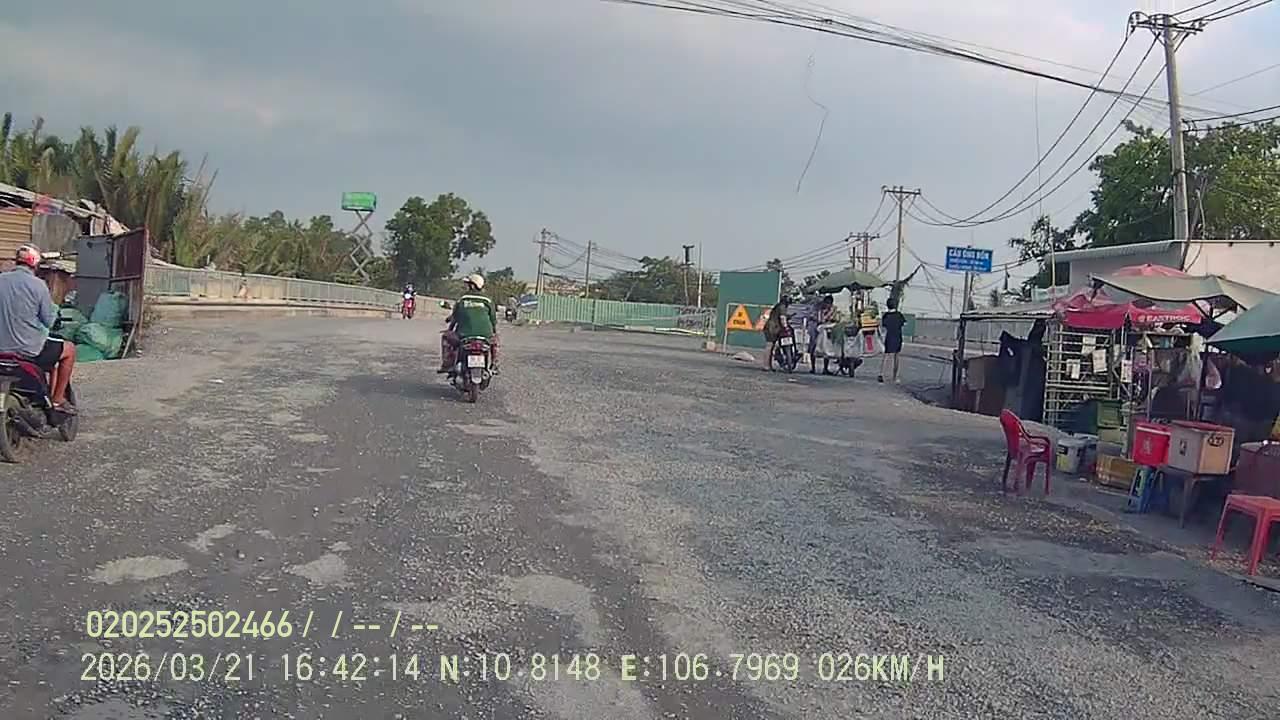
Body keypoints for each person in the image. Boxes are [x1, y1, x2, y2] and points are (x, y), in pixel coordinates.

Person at [0, 245, 76, 412]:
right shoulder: (38, 285)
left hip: (1, 350)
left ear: (17, 261)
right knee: (69, 350)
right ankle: (57, 400)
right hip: (28, 351)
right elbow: (48, 321)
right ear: (35, 263)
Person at [438, 274, 499, 373]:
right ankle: (495, 363)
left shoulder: (462, 299)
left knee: (446, 337)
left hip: (464, 334)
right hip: (485, 335)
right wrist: (493, 333)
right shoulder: (488, 300)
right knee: (495, 342)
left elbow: (455, 317)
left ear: (472, 285)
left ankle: (447, 364)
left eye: (468, 284)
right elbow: (493, 320)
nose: (466, 286)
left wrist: (450, 329)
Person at [879, 297, 905, 384]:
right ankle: (895, 377)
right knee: (896, 356)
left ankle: (881, 374)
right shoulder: (899, 315)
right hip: (898, 337)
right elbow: (903, 324)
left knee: (886, 355)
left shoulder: (886, 316)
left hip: (889, 337)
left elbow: (883, 327)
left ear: (887, 305)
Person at [761, 296, 791, 371]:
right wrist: (786, 327)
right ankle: (766, 365)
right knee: (769, 346)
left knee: (771, 347)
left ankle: (768, 365)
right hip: (773, 328)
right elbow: (782, 318)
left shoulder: (778, 306)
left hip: (771, 327)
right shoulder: (782, 307)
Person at [808, 294, 836, 374]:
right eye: (826, 303)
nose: (827, 305)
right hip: (814, 328)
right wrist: (819, 319)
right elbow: (812, 316)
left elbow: (832, 318)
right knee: (813, 347)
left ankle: (825, 368)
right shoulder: (817, 307)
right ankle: (813, 368)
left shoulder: (832, 309)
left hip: (825, 329)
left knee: (826, 347)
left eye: (829, 303)